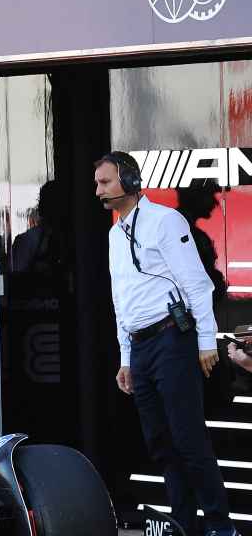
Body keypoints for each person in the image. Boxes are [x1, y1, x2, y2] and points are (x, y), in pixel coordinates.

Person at [96, 152, 238, 536]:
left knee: (189, 440)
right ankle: (184, 525)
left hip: (173, 340)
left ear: (128, 179)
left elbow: (197, 283)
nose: (99, 191)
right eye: (97, 183)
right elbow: (120, 299)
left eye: (106, 182)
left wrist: (206, 341)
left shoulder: (165, 220)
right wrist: (126, 357)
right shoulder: (113, 235)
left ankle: (222, 527)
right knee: (160, 443)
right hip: (140, 348)